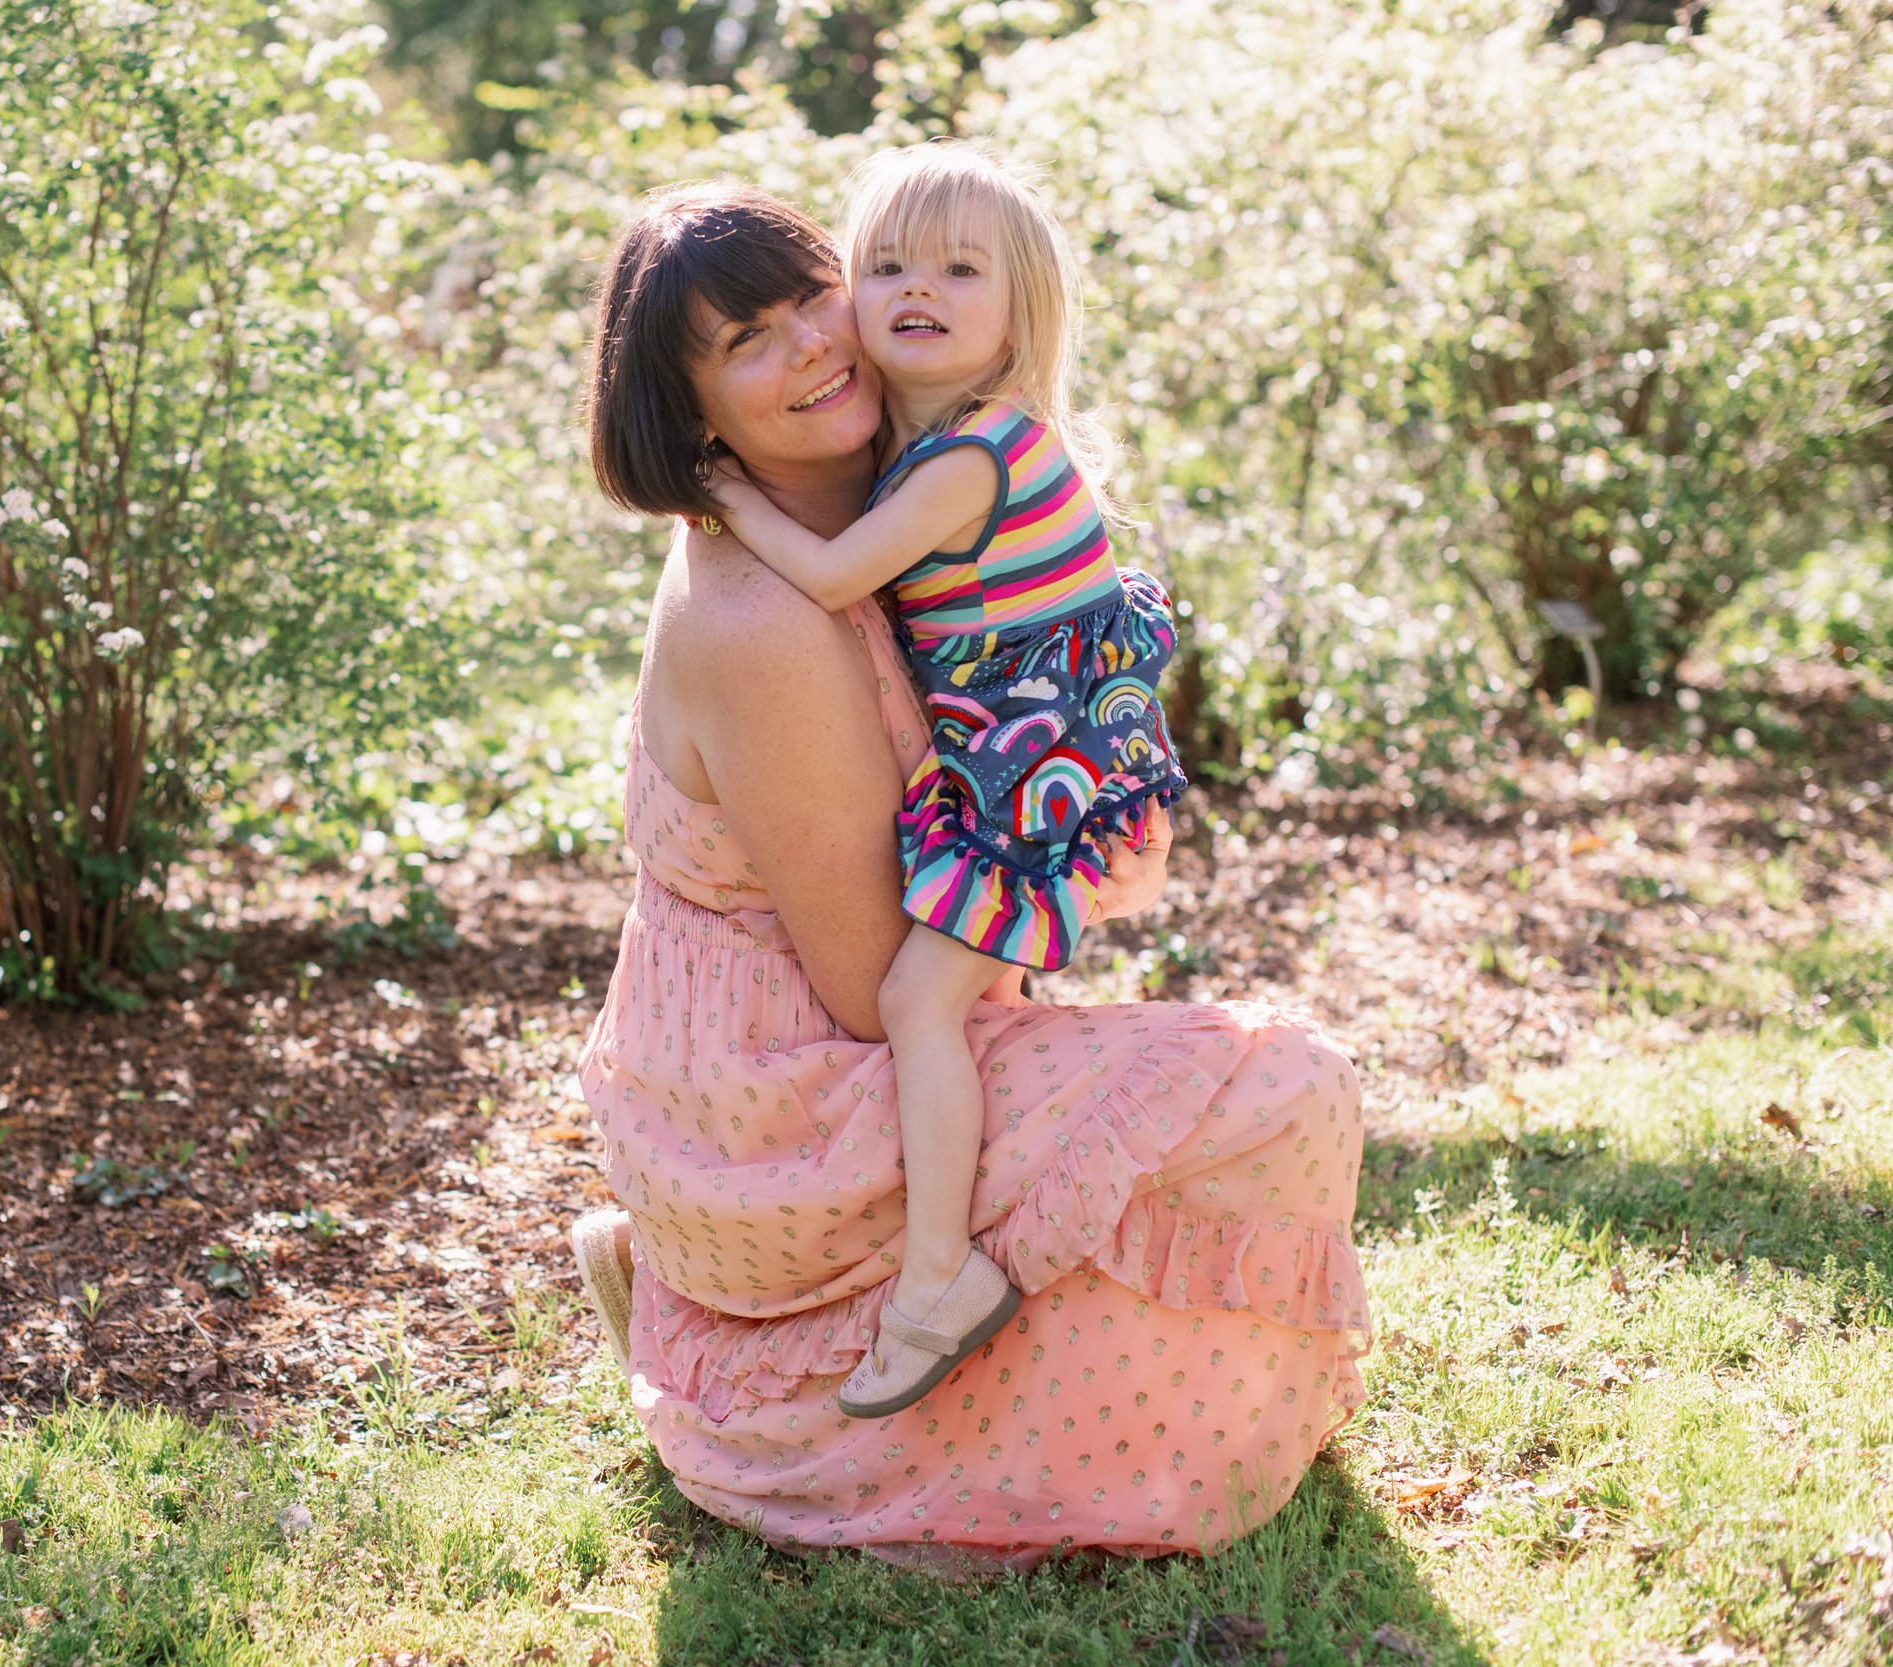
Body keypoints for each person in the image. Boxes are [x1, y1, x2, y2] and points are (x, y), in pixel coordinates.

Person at [568, 180, 1370, 1569]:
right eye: (748, 339)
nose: (816, 343)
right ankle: (769, 1368)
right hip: (785, 1093)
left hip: (805, 1042)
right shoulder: (767, 616)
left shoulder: (903, 503)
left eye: (815, 294)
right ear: (694, 415)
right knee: (1280, 1086)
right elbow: (876, 991)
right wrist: (1039, 879)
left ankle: (742, 1307)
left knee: (1187, 1097)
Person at [702, 142, 1188, 1418]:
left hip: (1043, 759)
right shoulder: (940, 448)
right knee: (962, 992)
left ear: (1019, 309)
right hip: (1026, 750)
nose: (918, 287)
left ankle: (936, 1279)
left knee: (920, 1000)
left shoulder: (974, 456)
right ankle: (952, 1243)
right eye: (886, 265)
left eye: (960, 269)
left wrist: (718, 492)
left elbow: (831, 576)